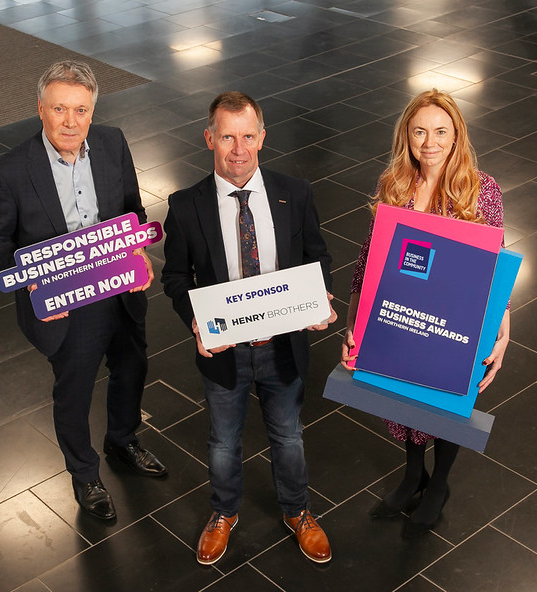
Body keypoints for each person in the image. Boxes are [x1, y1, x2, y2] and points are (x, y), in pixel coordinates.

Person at [0, 60, 167, 522]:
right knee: (75, 391)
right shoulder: (11, 170)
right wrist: (33, 279)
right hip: (66, 305)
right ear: (40, 109)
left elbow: (131, 208)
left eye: (80, 110)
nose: (70, 121)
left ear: (92, 111)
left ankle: (123, 440)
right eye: (59, 109)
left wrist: (139, 245)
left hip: (120, 287)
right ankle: (85, 474)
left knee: (131, 368)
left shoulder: (112, 142)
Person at [162, 91, 336, 565]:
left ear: (262, 137)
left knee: (289, 434)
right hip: (225, 350)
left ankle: (297, 511)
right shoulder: (184, 206)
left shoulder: (294, 192)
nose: (238, 149)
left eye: (247, 136)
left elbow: (317, 257)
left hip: (284, 345)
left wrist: (321, 299)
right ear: (209, 139)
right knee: (222, 440)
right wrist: (195, 319)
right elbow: (175, 277)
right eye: (226, 137)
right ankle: (223, 513)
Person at [341, 89, 510, 538]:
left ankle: (439, 484)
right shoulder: (394, 184)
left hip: (457, 322)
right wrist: (353, 324)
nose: (429, 142)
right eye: (419, 132)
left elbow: (495, 263)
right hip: (403, 314)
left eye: (440, 131)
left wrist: (503, 329)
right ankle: (413, 474)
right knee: (403, 398)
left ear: (456, 135)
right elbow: (368, 258)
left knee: (447, 401)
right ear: (407, 136)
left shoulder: (482, 187)